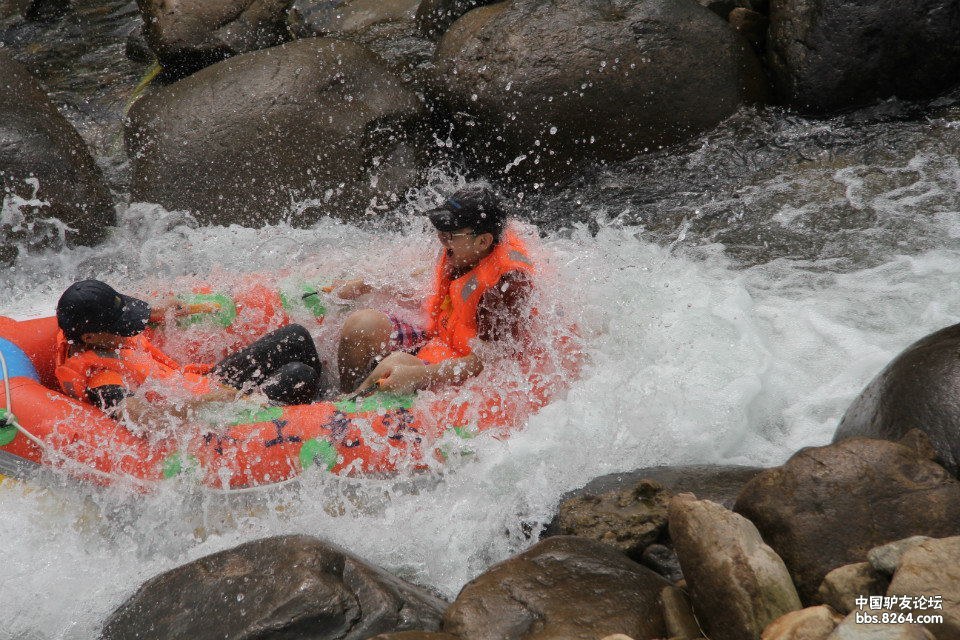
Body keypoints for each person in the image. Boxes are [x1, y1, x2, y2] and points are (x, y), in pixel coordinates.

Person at [335, 184, 535, 395]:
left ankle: (351, 405)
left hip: (463, 365)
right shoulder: (462, 247)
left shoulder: (507, 286)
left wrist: (418, 374)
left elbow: (491, 362)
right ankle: (344, 396)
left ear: (483, 241)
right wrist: (365, 284)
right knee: (360, 325)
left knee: (394, 364)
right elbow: (418, 274)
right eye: (440, 230)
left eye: (450, 234)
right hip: (439, 336)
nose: (441, 238)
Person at [54, 279, 323, 423]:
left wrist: (160, 310)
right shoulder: (102, 378)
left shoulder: (98, 336)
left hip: (206, 382)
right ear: (90, 336)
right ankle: (318, 420)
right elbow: (144, 418)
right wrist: (219, 401)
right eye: (120, 324)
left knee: (295, 336)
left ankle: (326, 403)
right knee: (299, 374)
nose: (128, 328)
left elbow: (134, 315)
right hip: (213, 412)